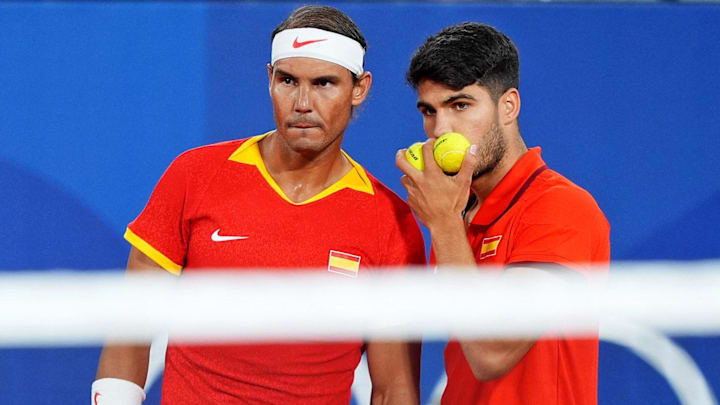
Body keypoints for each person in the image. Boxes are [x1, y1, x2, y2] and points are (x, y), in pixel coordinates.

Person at [93, 5, 425, 405]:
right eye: (288, 80)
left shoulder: (389, 220)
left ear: (359, 88)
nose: (302, 102)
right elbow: (130, 328)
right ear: (270, 79)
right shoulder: (194, 175)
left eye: (324, 83)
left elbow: (393, 389)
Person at [395, 22, 610, 405]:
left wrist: (443, 224)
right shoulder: (455, 211)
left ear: (508, 106)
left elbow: (492, 350)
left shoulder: (561, 208)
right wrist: (448, 221)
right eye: (429, 111)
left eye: (460, 105)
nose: (441, 130)